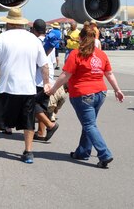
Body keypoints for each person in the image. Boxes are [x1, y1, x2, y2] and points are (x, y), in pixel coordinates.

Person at [0, 8, 49, 164]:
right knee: (28, 121)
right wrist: (47, 82)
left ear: (9, 22)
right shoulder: (33, 39)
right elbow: (44, 65)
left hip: (7, 86)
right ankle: (28, 152)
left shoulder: (3, 37)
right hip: (28, 87)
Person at [46, 22, 125, 169]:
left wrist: (53, 89)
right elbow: (109, 73)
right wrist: (117, 89)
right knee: (89, 124)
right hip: (100, 93)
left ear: (80, 39)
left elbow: (65, 75)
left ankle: (104, 153)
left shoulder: (76, 54)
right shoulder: (101, 54)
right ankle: (83, 152)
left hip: (83, 94)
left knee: (89, 124)